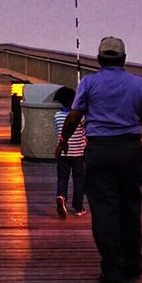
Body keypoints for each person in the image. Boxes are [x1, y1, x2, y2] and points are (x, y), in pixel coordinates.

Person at [58, 36, 142, 283]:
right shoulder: (140, 84)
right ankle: (133, 262)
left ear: (100, 59)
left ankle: (112, 269)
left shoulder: (89, 83)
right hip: (131, 150)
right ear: (123, 59)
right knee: (130, 206)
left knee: (104, 211)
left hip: (100, 151)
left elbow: (73, 117)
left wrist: (63, 140)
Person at [53, 86, 86, 218]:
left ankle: (61, 196)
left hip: (63, 153)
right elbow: (85, 129)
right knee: (79, 180)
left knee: (62, 177)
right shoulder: (81, 117)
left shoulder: (57, 116)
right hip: (78, 153)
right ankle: (78, 208)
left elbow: (59, 130)